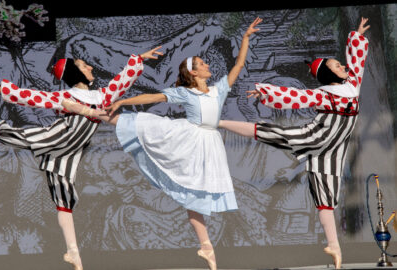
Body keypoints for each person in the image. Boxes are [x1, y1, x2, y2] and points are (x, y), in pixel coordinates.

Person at [61, 17, 262, 270]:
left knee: (194, 193)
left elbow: (239, 64)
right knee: (135, 122)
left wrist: (245, 37)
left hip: (209, 144)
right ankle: (86, 110)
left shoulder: (218, 89)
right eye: (202, 64)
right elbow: (153, 96)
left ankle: (206, 246)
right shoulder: (184, 92)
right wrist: (123, 102)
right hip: (185, 136)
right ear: (193, 72)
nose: (207, 65)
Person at [0, 46, 163, 270]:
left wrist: (138, 59)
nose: (90, 67)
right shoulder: (66, 96)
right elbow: (34, 97)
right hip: (56, 137)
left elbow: (121, 82)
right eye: (83, 65)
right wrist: (1, 89)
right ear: (74, 73)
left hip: (68, 151)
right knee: (10, 134)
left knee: (64, 198)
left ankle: (74, 256)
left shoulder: (102, 96)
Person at [218, 17, 370, 269]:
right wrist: (265, 92)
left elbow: (357, 62)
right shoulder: (322, 94)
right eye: (336, 65)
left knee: (326, 195)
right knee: (273, 133)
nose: (343, 66)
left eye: (340, 63)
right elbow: (296, 96)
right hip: (317, 137)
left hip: (333, 148)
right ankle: (220, 123)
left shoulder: (352, 83)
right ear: (328, 73)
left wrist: (357, 36)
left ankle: (333, 244)